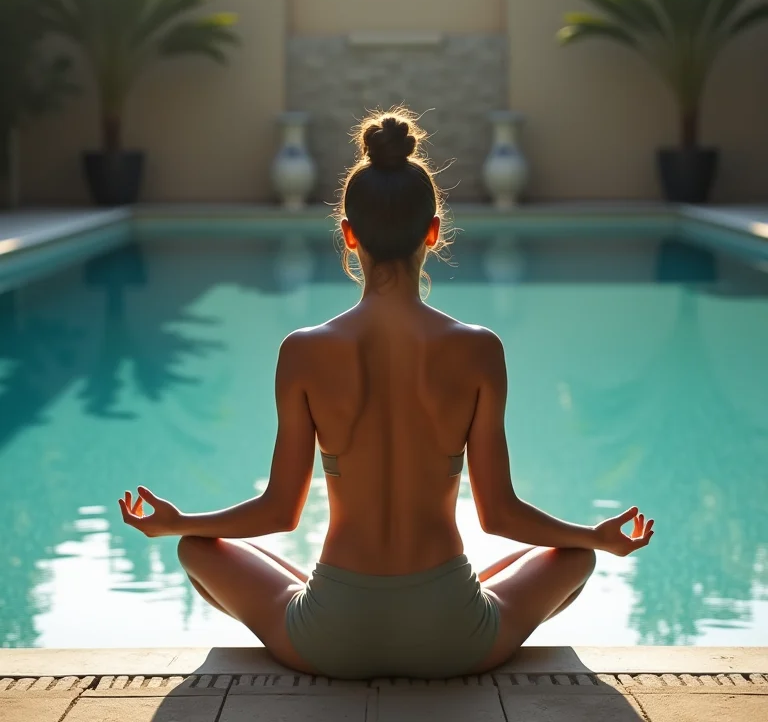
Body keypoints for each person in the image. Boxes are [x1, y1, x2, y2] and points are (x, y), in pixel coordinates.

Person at [118, 107, 654, 680]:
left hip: (330, 637)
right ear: (434, 231)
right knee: (573, 556)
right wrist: (593, 536)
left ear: (348, 236)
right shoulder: (479, 349)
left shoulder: (303, 351)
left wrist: (175, 523)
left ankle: (330, 597)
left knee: (196, 549)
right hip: (454, 636)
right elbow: (499, 515)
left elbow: (279, 512)